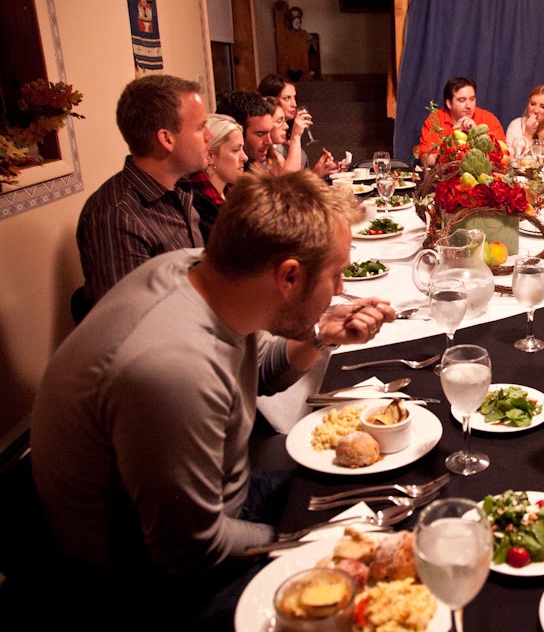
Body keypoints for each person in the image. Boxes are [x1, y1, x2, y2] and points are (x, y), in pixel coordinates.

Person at [33, 171, 396, 627]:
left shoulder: (202, 271)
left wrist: (322, 337)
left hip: (225, 499)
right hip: (150, 583)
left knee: (387, 506)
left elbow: (259, 371)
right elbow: (191, 549)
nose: (340, 289)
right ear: (288, 276)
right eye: (336, 274)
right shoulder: (172, 367)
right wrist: (309, 541)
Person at [76, 74, 209, 307]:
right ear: (166, 139)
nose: (209, 135)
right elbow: (130, 317)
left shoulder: (180, 189)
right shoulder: (117, 216)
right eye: (200, 128)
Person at [417, 77, 506, 166]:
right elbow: (426, 159)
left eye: (472, 99)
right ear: (449, 104)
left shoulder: (489, 119)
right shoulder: (435, 120)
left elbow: (503, 157)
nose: (469, 106)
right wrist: (453, 150)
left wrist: (477, 134)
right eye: (462, 100)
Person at [185, 114, 247, 241]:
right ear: (210, 156)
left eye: (242, 149)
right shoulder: (196, 202)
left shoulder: (234, 192)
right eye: (236, 150)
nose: (245, 157)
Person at [258, 74, 313, 171]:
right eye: (287, 98)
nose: (294, 104)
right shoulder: (267, 143)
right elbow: (288, 177)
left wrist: (319, 172)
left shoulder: (287, 130)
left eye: (294, 97)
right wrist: (296, 136)